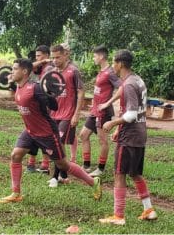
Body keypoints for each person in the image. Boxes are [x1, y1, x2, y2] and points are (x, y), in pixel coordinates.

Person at [0, 58, 101, 203]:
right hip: (30, 131)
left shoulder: (36, 88)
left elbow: (54, 107)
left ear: (24, 72)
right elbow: (11, 83)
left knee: (62, 164)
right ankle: (16, 193)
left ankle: (92, 182)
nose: (12, 71)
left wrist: (48, 94)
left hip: (46, 133)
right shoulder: (19, 86)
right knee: (15, 155)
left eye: (15, 69)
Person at [99, 50, 157, 225]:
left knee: (119, 173)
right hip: (139, 134)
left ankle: (118, 216)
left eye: (114, 63)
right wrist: (120, 127)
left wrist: (112, 124)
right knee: (135, 173)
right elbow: (137, 110)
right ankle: (149, 209)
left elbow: (131, 114)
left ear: (121, 64)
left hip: (130, 137)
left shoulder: (129, 84)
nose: (113, 67)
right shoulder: (137, 79)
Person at [79, 46, 121, 176]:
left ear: (101, 57)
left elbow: (122, 88)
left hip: (103, 112)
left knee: (102, 140)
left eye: (95, 56)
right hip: (94, 111)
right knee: (83, 135)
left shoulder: (110, 72)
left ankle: (100, 169)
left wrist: (107, 103)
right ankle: (86, 166)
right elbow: (100, 91)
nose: (93, 58)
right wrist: (95, 103)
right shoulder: (102, 71)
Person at [48, 44, 84, 188]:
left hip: (68, 115)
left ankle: (55, 177)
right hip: (54, 114)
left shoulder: (73, 71)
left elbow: (81, 92)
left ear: (65, 55)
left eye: (57, 57)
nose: (55, 60)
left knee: (59, 143)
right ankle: (64, 175)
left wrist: (77, 114)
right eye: (53, 58)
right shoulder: (52, 71)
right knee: (54, 143)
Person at [26, 45, 54, 174]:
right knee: (34, 134)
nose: (36, 58)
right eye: (36, 56)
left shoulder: (49, 68)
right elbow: (27, 68)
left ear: (47, 55)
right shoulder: (41, 68)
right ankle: (34, 164)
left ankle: (44, 165)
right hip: (36, 109)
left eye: (39, 56)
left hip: (45, 110)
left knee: (40, 136)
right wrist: (40, 62)